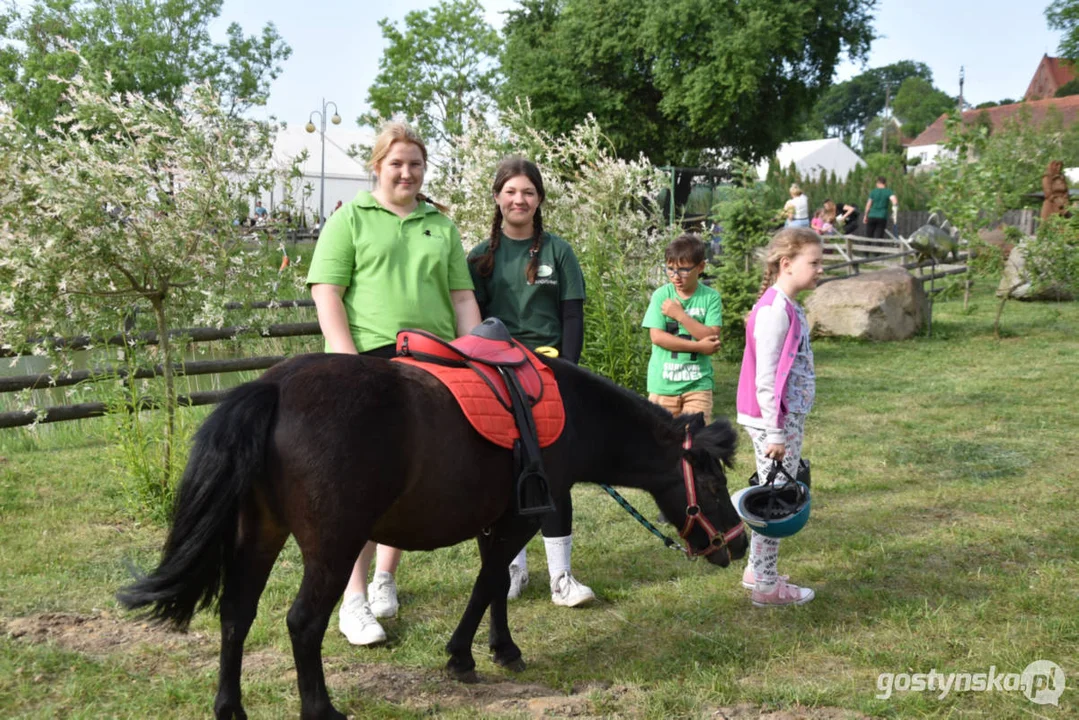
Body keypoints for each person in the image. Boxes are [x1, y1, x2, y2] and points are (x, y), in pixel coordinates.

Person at [307, 121, 482, 646]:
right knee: (359, 484)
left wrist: (477, 354)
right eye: (397, 163)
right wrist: (347, 363)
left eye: (415, 163)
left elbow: (461, 299)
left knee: (408, 476)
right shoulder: (350, 220)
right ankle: (353, 598)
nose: (407, 172)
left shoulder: (441, 226)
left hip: (434, 364)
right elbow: (326, 292)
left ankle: (386, 579)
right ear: (377, 166)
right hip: (369, 363)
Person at [467, 156, 593, 608]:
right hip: (497, 375)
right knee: (507, 472)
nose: (519, 199)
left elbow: (572, 314)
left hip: (548, 372)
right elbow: (474, 321)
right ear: (498, 197)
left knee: (553, 469)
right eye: (511, 191)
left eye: (528, 192)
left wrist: (570, 372)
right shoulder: (480, 256)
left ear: (539, 200)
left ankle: (561, 576)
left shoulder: (559, 252)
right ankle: (512, 569)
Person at [735, 227, 822, 607]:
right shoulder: (775, 311)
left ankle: (757, 571)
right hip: (776, 424)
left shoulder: (787, 305)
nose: (820, 269)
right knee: (775, 502)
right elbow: (765, 379)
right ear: (786, 264)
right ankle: (767, 588)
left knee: (774, 493)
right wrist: (775, 432)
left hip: (783, 422)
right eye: (814, 262)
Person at [642, 234, 723, 423]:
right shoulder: (661, 296)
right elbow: (658, 337)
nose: (675, 277)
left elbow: (712, 337)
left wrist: (681, 316)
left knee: (695, 440)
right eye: (670, 270)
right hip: (663, 386)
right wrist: (698, 347)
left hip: (698, 384)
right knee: (662, 442)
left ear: (701, 267)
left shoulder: (711, 297)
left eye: (683, 270)